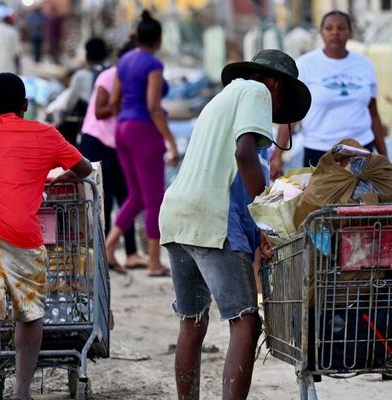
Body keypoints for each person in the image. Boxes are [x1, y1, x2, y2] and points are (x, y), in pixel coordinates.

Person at [160, 49, 310, 400]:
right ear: (276, 85)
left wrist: (257, 233)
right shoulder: (257, 91)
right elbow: (244, 155)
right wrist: (268, 214)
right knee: (246, 322)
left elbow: (232, 174)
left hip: (177, 215)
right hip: (212, 218)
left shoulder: (220, 100)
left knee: (192, 321)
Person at [0, 72, 94, 400]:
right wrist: (60, 177)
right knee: (30, 312)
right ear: (26, 105)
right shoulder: (46, 134)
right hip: (24, 237)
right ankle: (22, 393)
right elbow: (85, 168)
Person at [271, 10, 388, 177]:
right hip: (319, 152)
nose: (335, 33)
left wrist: (385, 158)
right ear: (321, 32)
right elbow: (292, 116)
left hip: (360, 150)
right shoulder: (305, 65)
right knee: (319, 195)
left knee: (361, 194)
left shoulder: (364, 65)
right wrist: (277, 157)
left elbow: (373, 114)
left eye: (341, 28)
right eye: (329, 28)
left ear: (350, 32)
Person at [106, 11, 178, 277]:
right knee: (154, 198)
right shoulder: (153, 65)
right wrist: (171, 142)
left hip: (123, 128)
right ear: (158, 39)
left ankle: (109, 246)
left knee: (136, 196)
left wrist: (124, 123)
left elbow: (114, 101)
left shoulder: (123, 61)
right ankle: (154, 262)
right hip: (144, 130)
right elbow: (153, 107)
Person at [75, 39, 147, 273]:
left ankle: (131, 253)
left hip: (118, 143)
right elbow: (100, 111)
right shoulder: (109, 77)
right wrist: (123, 102)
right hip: (97, 140)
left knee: (126, 195)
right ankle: (105, 254)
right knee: (103, 197)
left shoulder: (139, 81)